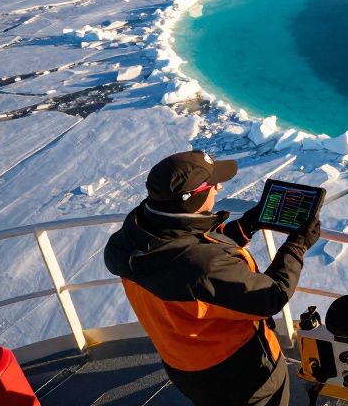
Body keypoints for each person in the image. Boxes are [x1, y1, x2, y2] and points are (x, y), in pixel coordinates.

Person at [104, 150, 322, 406]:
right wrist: (297, 245)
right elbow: (270, 297)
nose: (219, 186)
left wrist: (246, 225)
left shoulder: (133, 235)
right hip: (240, 376)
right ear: (190, 200)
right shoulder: (202, 266)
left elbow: (189, 250)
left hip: (184, 365)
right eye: (212, 183)